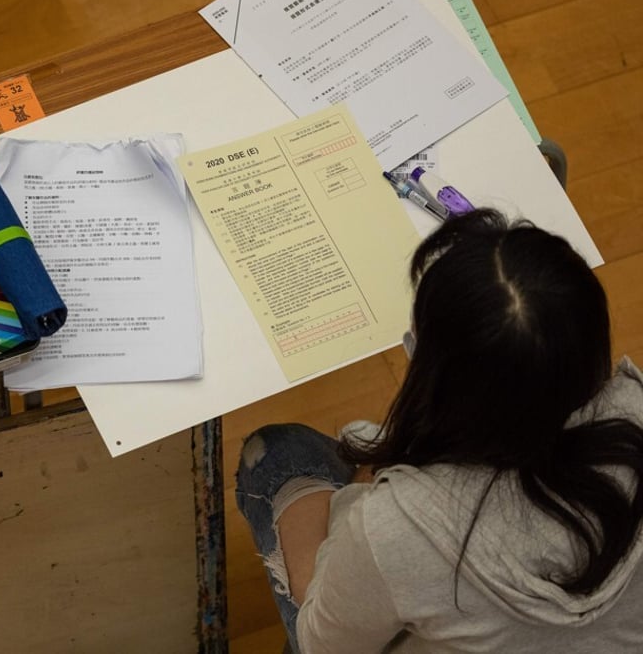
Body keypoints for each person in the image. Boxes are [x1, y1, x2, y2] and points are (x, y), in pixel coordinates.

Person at [236, 209, 643, 653]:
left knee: (278, 451)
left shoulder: (396, 527)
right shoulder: (634, 410)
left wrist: (361, 500)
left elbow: (324, 644)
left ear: (432, 372)